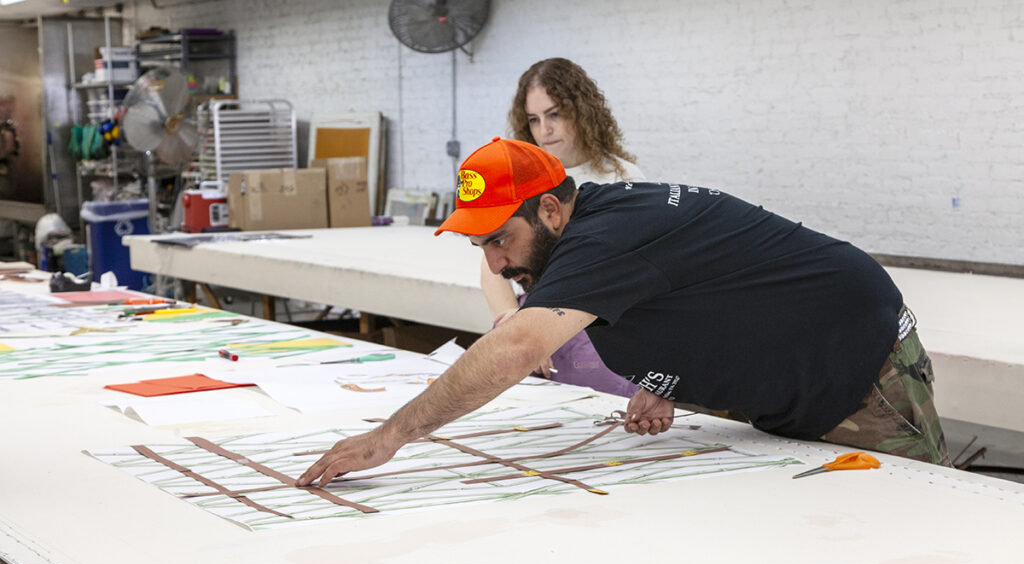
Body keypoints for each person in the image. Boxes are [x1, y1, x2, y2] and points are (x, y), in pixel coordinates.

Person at [297, 137, 949, 488]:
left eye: (501, 239)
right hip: (790, 383)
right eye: (481, 246)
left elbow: (518, 347)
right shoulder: (593, 237)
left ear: (551, 210)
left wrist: (392, 435)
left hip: (858, 370)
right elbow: (700, 286)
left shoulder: (602, 237)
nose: (495, 264)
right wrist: (662, 374)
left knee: (914, 524)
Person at [480, 58, 642, 398]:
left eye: (554, 115)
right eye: (534, 120)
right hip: (538, 326)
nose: (544, 130)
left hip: (604, 327)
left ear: (583, 111)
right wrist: (510, 318)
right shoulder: (525, 177)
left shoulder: (623, 177)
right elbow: (492, 261)